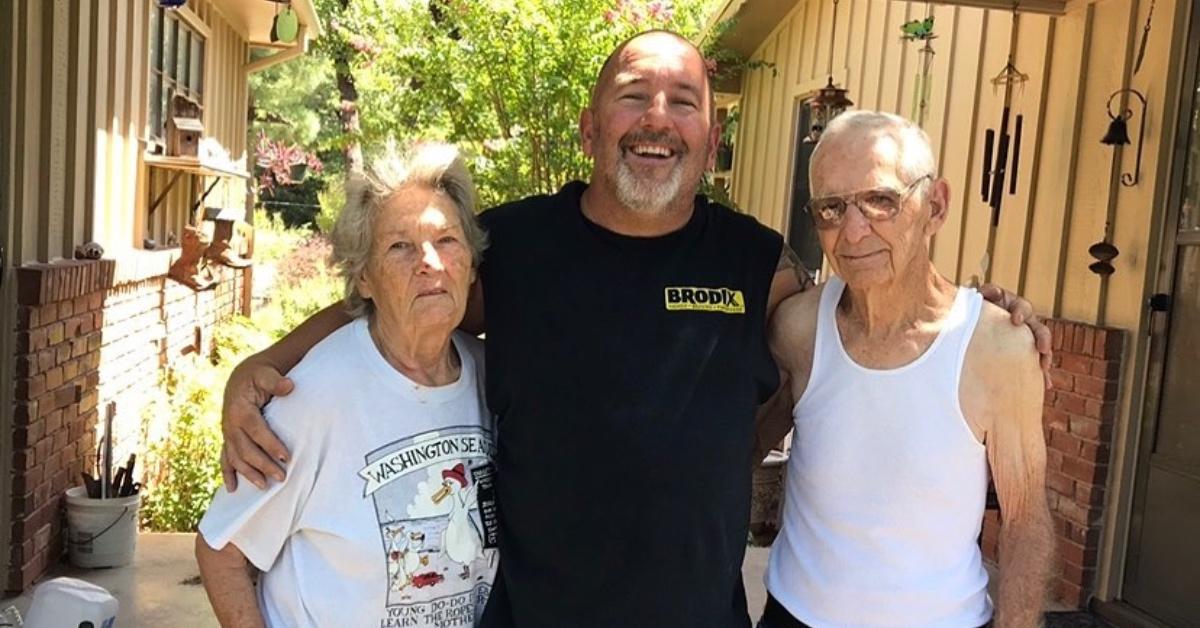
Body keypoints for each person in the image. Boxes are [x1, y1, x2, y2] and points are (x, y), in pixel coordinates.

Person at [218, 31, 1052, 628]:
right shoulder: (514, 248)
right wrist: (263, 361)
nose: (658, 118)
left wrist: (981, 311)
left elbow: (872, 297)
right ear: (590, 128)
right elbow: (401, 296)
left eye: (683, 102)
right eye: (632, 98)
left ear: (710, 140)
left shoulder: (755, 261)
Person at [759, 111, 1053, 628]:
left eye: (881, 201)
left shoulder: (997, 348)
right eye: (831, 208)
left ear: (934, 206)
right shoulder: (798, 330)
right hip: (794, 617)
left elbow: (1026, 520)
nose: (853, 231)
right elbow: (731, 449)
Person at [194, 143, 497, 627]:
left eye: (447, 241)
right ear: (364, 279)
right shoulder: (315, 395)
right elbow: (222, 551)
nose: (429, 262)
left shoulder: (492, 380)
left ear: (472, 265)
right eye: (400, 246)